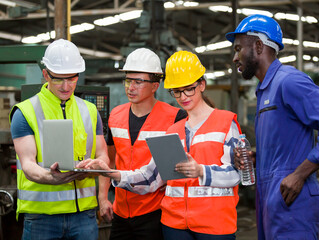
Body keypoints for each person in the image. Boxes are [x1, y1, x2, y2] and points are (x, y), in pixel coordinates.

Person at [78, 50, 243, 240]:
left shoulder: (225, 122)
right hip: (174, 224)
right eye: (176, 91)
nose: (183, 97)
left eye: (188, 88)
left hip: (214, 225)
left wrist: (201, 171)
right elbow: (150, 178)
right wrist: (107, 172)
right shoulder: (174, 130)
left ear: (202, 84)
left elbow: (237, 174)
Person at [226, 14, 319, 239]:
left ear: (258, 45)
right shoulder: (265, 90)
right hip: (271, 196)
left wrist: (299, 174)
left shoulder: (289, 81)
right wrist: (258, 156)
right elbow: (285, 142)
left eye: (238, 49)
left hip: (292, 200)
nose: (235, 58)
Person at [9, 39, 109, 240]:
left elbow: (103, 154)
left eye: (72, 78)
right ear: (46, 74)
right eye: (58, 79)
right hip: (42, 219)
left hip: (84, 215)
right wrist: (51, 177)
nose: (66, 86)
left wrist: (97, 166)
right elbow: (28, 164)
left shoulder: (89, 111)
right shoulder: (25, 112)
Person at [98, 48, 187, 240]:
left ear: (155, 85)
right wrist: (103, 198)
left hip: (156, 213)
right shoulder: (115, 115)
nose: (131, 87)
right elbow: (110, 160)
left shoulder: (175, 118)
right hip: (121, 212)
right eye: (128, 80)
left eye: (138, 82)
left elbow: (178, 172)